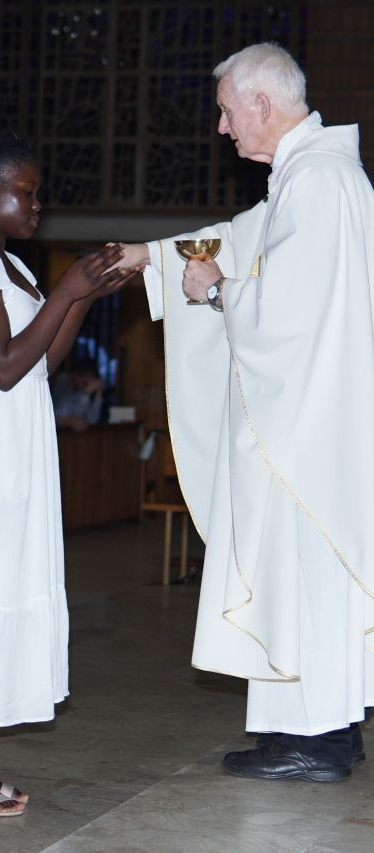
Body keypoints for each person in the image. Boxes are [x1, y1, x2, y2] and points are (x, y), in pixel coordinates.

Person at [113, 43, 374, 782]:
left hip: (304, 428)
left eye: (227, 111)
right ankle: (319, 727)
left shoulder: (318, 180)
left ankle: (315, 741)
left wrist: (216, 292)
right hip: (309, 419)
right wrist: (150, 257)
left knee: (302, 571)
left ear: (262, 102)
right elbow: (238, 239)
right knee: (305, 574)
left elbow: (284, 307)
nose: (223, 128)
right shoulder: (310, 175)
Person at [0, 129, 138, 818]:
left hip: (17, 437)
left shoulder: (12, 268)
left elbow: (43, 362)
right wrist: (66, 287)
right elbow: (3, 366)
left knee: (0, 585)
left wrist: (82, 296)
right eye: (28, 191)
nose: (38, 203)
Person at [51, 356, 105, 431]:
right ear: (75, 375)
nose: (88, 386)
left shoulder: (81, 390)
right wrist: (86, 393)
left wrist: (98, 394)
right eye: (85, 382)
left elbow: (92, 419)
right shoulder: (62, 383)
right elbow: (76, 415)